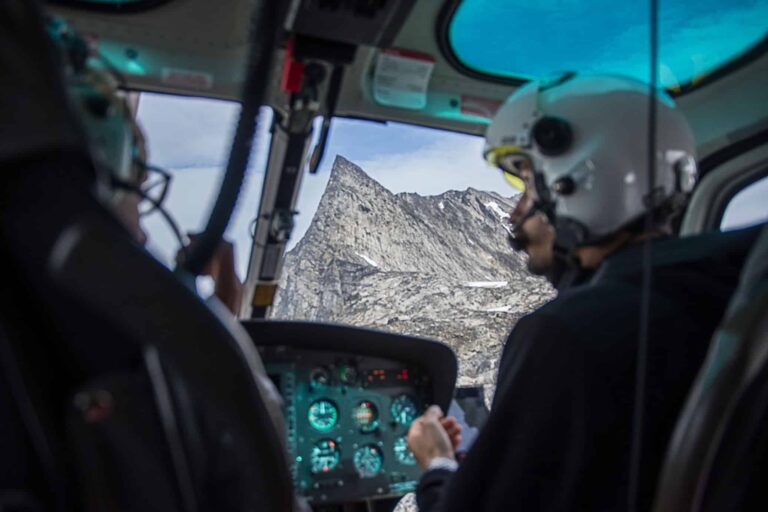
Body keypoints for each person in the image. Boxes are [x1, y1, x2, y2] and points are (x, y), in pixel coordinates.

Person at [407, 74, 761, 511]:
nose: (516, 210)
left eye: (526, 183)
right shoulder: (735, 291)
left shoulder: (568, 335)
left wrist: (437, 465)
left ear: (577, 182)